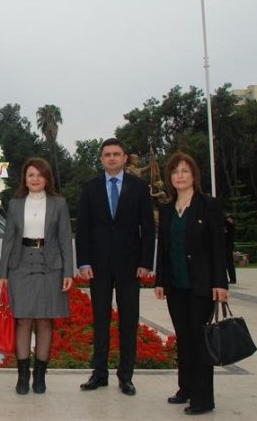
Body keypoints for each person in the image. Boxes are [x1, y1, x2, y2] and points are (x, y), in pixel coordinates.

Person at [76, 138, 155, 396]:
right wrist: (83, 262)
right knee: (100, 321)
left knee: (129, 322)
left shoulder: (140, 187)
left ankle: (126, 376)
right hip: (97, 267)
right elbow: (83, 227)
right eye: (107, 154)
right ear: (101, 159)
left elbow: (149, 228)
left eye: (116, 154)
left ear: (124, 158)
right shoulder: (90, 187)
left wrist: (146, 262)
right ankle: (99, 374)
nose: (111, 158)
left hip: (130, 266)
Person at [154, 152, 228, 415]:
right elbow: (163, 249)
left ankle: (203, 398)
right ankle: (185, 388)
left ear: (194, 175)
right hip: (176, 284)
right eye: (175, 172)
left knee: (199, 340)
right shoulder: (167, 209)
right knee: (183, 339)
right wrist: (160, 280)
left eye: (184, 171)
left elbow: (219, 247)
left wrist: (221, 283)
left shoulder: (208, 205)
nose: (180, 176)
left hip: (202, 284)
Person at [0, 157, 74, 395]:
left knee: (44, 321)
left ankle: (40, 376)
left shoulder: (58, 204)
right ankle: (22, 376)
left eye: (39, 175)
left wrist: (68, 271)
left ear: (47, 178)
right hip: (20, 266)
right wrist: (3, 273)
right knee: (23, 320)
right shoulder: (15, 204)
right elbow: (8, 239)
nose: (35, 179)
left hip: (50, 267)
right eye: (30, 175)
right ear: (25, 178)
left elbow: (64, 238)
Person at [224, 216, 237, 284]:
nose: (229, 220)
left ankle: (232, 279)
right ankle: (230, 279)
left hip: (228, 247)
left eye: (230, 219)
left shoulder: (231, 226)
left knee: (229, 264)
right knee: (227, 264)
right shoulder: (227, 225)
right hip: (226, 247)